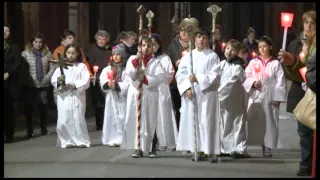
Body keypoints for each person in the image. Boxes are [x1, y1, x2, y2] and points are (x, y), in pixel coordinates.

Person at [277, 10, 316, 176]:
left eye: (312, 23)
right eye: (306, 22)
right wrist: (290, 62)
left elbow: (309, 69)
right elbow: (294, 73)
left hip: (314, 91)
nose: (308, 26)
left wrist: (297, 63)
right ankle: (305, 164)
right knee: (304, 131)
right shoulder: (296, 44)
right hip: (301, 93)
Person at [175, 28, 221, 163]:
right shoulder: (188, 56)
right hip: (192, 94)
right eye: (199, 37)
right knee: (193, 121)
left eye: (205, 37)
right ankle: (197, 148)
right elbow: (181, 74)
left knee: (206, 121)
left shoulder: (212, 56)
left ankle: (209, 150)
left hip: (207, 94)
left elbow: (215, 74)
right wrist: (186, 88)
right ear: (194, 39)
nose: (202, 40)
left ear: (208, 40)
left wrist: (198, 78)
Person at [120, 36, 165, 158]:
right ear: (139, 47)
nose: (146, 48)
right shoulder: (132, 59)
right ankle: (138, 147)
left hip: (150, 93)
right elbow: (129, 75)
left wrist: (145, 79)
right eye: (143, 45)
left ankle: (151, 147)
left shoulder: (156, 62)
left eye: (149, 46)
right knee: (136, 120)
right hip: (136, 93)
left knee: (151, 120)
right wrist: (135, 65)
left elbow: (161, 77)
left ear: (152, 48)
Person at [243, 36, 287, 157]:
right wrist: (253, 82)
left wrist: (278, 97)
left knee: (270, 121)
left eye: (265, 46)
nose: (262, 49)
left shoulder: (275, 63)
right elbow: (247, 75)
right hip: (257, 94)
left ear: (270, 47)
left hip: (270, 95)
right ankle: (257, 143)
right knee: (257, 121)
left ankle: (268, 146)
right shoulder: (254, 62)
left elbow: (280, 81)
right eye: (260, 47)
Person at [51, 44, 91, 148]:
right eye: (68, 53)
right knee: (64, 118)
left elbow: (85, 80)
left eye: (73, 53)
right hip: (64, 96)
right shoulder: (61, 67)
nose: (70, 55)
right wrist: (61, 83)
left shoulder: (81, 66)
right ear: (65, 54)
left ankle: (81, 140)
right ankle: (66, 140)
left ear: (77, 54)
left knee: (78, 118)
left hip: (77, 96)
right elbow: (54, 79)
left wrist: (74, 85)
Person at [21, 33, 55, 137]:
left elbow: (52, 68)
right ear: (32, 42)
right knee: (30, 108)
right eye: (36, 42)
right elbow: (23, 70)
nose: (38, 44)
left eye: (40, 42)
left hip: (44, 83)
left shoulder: (47, 53)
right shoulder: (25, 54)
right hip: (31, 85)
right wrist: (30, 80)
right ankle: (30, 130)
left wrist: (46, 78)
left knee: (43, 107)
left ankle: (43, 129)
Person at [219, 39, 248, 159]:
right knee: (224, 123)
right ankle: (225, 148)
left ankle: (239, 148)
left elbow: (234, 82)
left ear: (237, 52)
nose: (229, 51)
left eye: (233, 50)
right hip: (223, 100)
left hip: (234, 98)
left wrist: (219, 93)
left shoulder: (239, 67)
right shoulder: (222, 64)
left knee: (237, 122)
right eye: (227, 48)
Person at [151, 33, 178, 152]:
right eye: (149, 44)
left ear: (159, 45)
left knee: (162, 114)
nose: (152, 47)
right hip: (149, 91)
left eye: (154, 44)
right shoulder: (145, 58)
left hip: (161, 90)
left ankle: (165, 141)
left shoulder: (164, 58)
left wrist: (160, 77)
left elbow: (170, 73)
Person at [52, 29, 92, 104]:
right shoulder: (58, 50)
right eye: (69, 38)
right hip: (63, 87)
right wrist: (61, 84)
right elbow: (56, 68)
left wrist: (90, 74)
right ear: (64, 39)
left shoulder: (78, 50)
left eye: (73, 38)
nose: (72, 40)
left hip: (76, 87)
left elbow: (84, 62)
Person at [99, 44, 128, 147]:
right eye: (114, 54)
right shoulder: (107, 69)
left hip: (122, 98)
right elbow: (102, 80)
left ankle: (124, 137)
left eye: (118, 54)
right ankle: (112, 137)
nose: (115, 56)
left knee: (123, 116)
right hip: (111, 97)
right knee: (112, 117)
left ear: (123, 56)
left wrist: (117, 86)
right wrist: (108, 84)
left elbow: (128, 83)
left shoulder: (126, 69)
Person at [86, 30, 112, 130]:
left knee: (107, 101)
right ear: (96, 39)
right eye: (99, 39)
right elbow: (90, 64)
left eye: (103, 39)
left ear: (107, 40)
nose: (101, 41)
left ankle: (108, 122)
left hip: (107, 78)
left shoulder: (109, 50)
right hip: (96, 79)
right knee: (98, 102)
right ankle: (99, 124)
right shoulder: (91, 51)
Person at [167, 23, 189, 131]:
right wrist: (175, 63)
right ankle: (179, 131)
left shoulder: (194, 45)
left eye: (186, 31)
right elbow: (168, 61)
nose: (184, 33)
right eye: (181, 31)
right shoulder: (173, 46)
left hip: (190, 81)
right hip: (176, 82)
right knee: (178, 107)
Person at [4, 24, 22, 143]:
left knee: (9, 110)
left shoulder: (14, 47)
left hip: (10, 84)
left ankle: (9, 135)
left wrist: (8, 73)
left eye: (7, 31)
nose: (4, 32)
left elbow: (17, 63)